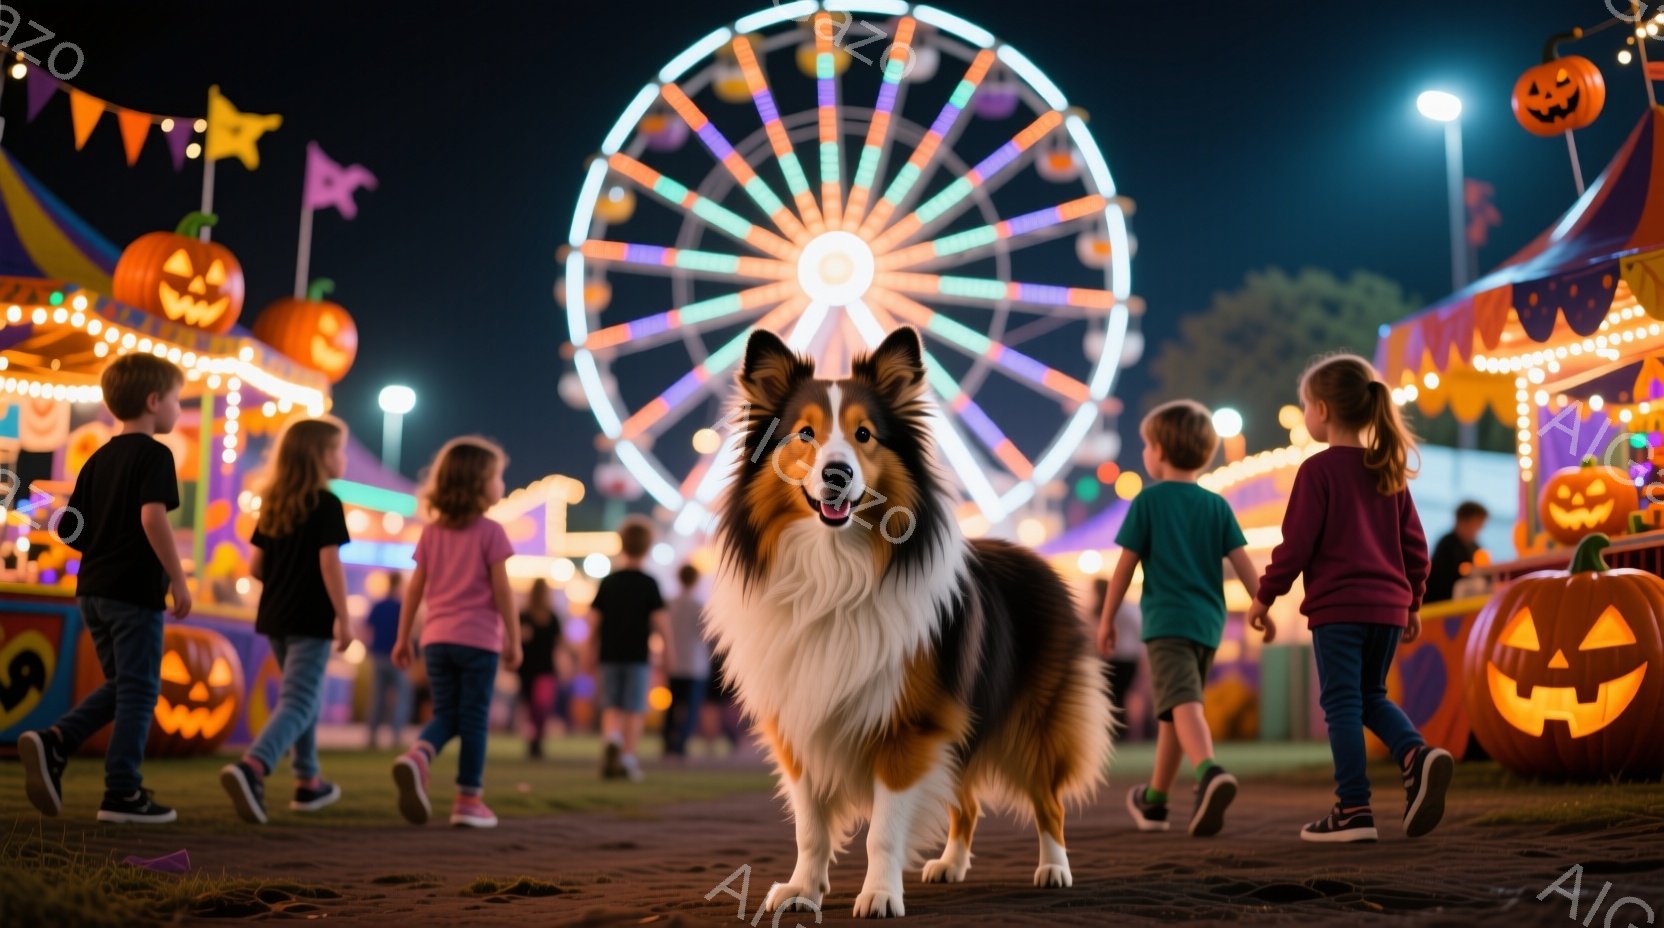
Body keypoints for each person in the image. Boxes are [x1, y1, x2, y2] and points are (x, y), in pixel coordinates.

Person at [1246, 354, 1454, 844]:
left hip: (1338, 609)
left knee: (1340, 702)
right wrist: (1413, 604)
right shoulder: (1387, 471)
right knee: (1370, 697)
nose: (1303, 414)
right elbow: (1415, 551)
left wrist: (1264, 595)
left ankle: (1353, 809)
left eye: (1303, 405)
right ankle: (1416, 756)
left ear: (1321, 409)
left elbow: (1296, 546)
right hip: (1387, 609)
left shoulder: (1317, 472)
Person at [19, 355, 189, 824]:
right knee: (140, 691)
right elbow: (152, 518)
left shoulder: (98, 457)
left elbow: (71, 531)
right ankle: (122, 792)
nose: (178, 408)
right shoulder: (155, 454)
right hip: (134, 593)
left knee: (123, 685)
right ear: (155, 402)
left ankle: (57, 741)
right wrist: (177, 577)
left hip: (92, 590)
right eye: (177, 399)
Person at [1096, 400, 1264, 838]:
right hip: (1208, 625)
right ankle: (1154, 800)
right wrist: (1261, 604)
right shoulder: (1216, 505)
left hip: (1167, 622)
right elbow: (1243, 563)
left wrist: (1107, 619)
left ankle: (1209, 772)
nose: (1145, 453)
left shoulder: (1148, 503)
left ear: (1161, 452)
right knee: (1175, 708)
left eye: (1146, 445)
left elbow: (1124, 568)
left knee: (1181, 703)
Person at [220, 417, 353, 825]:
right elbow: (329, 563)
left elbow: (256, 567)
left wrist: (285, 577)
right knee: (299, 700)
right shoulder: (326, 503)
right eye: (338, 449)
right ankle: (253, 767)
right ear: (320, 456)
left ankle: (308, 781)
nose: (342, 458)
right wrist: (344, 618)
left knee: (302, 698)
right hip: (311, 617)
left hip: (276, 616)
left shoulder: (274, 502)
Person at [391, 437, 520, 828]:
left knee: (447, 713)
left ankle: (418, 755)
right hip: (478, 640)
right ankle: (468, 799)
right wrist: (513, 639)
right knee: (475, 718)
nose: (502, 484)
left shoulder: (431, 533)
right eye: (498, 476)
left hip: (436, 640)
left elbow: (415, 589)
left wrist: (403, 638)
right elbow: (502, 591)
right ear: (479, 482)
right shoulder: (492, 532)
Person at [588, 516, 666, 781]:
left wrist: (588, 651)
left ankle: (611, 738)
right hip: (637, 656)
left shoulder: (608, 583)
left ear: (621, 544)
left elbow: (593, 622)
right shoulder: (649, 584)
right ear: (647, 547)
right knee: (634, 708)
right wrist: (668, 653)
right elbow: (660, 623)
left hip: (609, 654)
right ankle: (628, 758)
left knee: (611, 704)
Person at [662, 563, 709, 761]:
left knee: (672, 705)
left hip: (673, 662)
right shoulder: (700, 606)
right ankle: (680, 744)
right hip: (695, 664)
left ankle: (667, 742)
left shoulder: (669, 604)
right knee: (690, 707)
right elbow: (707, 635)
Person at [365, 571, 413, 750]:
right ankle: (396, 735)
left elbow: (367, 630)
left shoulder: (378, 606)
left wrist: (370, 649)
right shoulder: (401, 607)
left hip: (378, 655)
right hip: (397, 656)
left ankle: (372, 735)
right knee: (402, 697)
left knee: (377, 697)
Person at [1092, 578, 1144, 737]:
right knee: (1121, 697)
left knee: (1113, 697)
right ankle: (1122, 731)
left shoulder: (1103, 610)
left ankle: (1116, 732)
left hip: (1112, 658)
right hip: (1129, 659)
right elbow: (1139, 632)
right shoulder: (1130, 608)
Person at [517, 577, 562, 759]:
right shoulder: (524, 616)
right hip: (529, 669)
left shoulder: (552, 618)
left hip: (544, 669)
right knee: (532, 707)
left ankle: (537, 739)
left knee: (540, 705)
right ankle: (533, 739)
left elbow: (559, 644)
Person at [1425, 501, 1488, 603]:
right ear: (1461, 521)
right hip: (1441, 604)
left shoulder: (1475, 546)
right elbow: (1442, 580)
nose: (1478, 530)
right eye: (1476, 524)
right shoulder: (1446, 544)